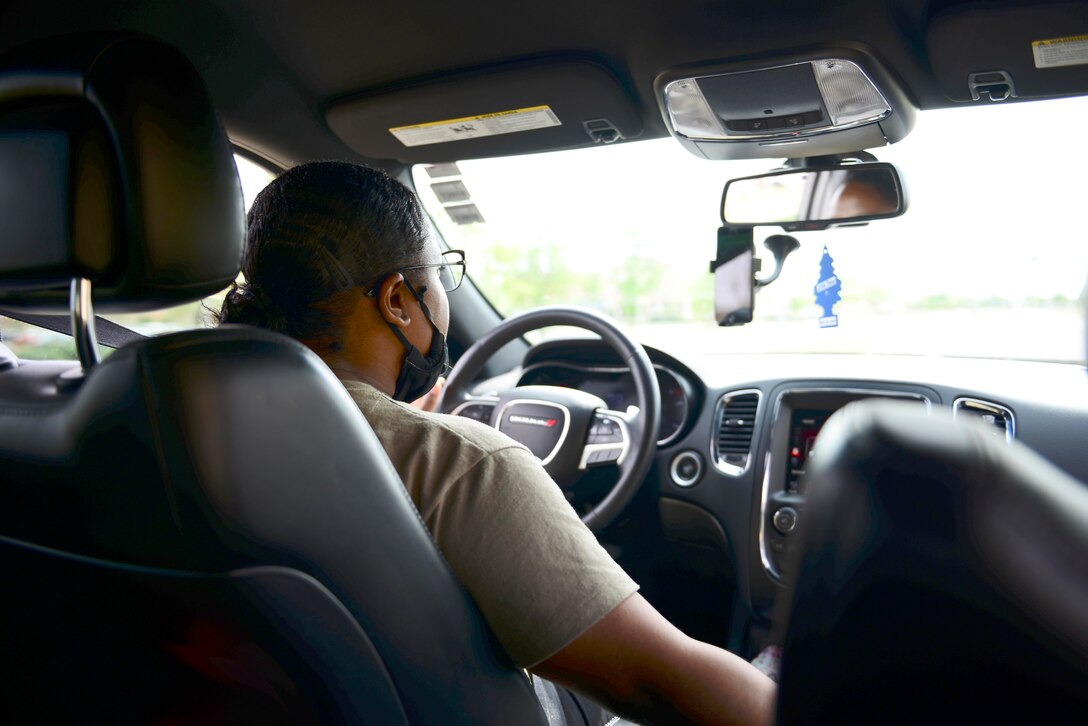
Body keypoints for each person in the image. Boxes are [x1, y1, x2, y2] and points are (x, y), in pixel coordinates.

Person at [216, 160, 776, 726]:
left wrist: (409, 426)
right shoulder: (461, 466)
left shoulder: (174, 425)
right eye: (438, 275)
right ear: (397, 300)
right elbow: (653, 682)